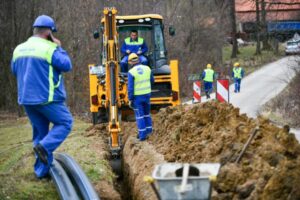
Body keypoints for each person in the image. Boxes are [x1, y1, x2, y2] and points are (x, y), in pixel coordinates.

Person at [11, 15, 73, 178]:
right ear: (49, 33)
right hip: (47, 99)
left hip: (26, 99)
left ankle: (41, 173)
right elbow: (67, 65)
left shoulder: (19, 49)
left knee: (40, 134)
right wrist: (59, 47)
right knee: (65, 122)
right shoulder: (50, 49)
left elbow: (14, 69)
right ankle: (44, 148)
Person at [127, 53, 154, 141]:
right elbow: (152, 81)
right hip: (147, 95)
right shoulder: (147, 68)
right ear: (138, 60)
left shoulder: (131, 72)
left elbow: (130, 88)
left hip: (137, 97)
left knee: (139, 116)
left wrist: (130, 99)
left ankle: (142, 136)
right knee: (147, 114)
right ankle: (149, 131)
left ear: (130, 62)